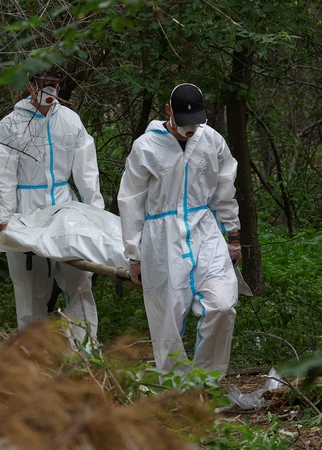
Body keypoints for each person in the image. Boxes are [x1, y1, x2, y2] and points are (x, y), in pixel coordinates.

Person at [118, 83, 243, 375]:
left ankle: (207, 381)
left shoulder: (211, 141)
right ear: (168, 112)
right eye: (185, 122)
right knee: (167, 318)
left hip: (204, 230)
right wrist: (134, 254)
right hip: (161, 238)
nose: (191, 129)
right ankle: (176, 392)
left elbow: (225, 190)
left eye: (196, 122)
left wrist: (233, 236)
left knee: (223, 304)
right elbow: (131, 202)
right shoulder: (146, 147)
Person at [0, 66, 105, 340]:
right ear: (31, 86)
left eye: (55, 84)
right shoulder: (10, 126)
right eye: (45, 85)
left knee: (78, 282)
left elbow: (87, 171)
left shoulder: (70, 121)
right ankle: (33, 358)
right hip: (26, 211)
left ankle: (83, 351)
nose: (51, 91)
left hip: (66, 209)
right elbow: (3, 175)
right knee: (30, 289)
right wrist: (6, 220)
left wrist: (95, 212)